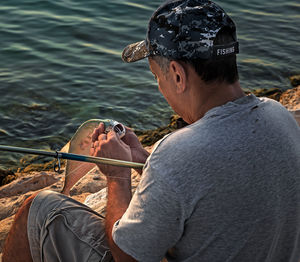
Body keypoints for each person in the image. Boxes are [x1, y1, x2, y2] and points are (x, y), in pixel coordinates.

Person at [3, 0, 300, 261]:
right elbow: (208, 186)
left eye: (157, 77)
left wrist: (118, 176)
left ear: (177, 74)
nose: (160, 88)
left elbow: (128, 257)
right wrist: (144, 162)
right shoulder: (280, 117)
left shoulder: (178, 152)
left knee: (38, 209)